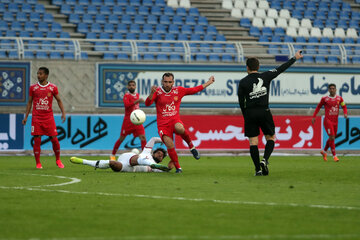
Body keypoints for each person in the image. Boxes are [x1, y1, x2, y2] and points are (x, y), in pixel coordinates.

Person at [238, 50, 303, 176]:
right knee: (271, 137)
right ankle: (265, 159)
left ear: (247, 68)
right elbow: (280, 69)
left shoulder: (243, 82)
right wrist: (294, 58)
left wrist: (245, 114)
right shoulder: (265, 76)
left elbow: (241, 101)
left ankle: (257, 170)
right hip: (264, 111)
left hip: (250, 113)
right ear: (259, 67)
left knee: (253, 142)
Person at [145, 72, 215, 173]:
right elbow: (148, 103)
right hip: (162, 125)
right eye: (165, 82)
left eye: (170, 82)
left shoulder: (178, 90)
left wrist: (209, 82)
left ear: (173, 82)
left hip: (174, 120)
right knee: (169, 145)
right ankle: (178, 168)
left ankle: (192, 147)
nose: (167, 84)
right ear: (162, 82)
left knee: (180, 128)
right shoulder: (158, 92)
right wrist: (151, 93)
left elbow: (194, 90)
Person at [22, 67, 66, 169]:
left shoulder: (53, 87)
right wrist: (26, 117)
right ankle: (38, 163)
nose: (38, 75)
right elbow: (29, 102)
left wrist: (63, 112)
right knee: (37, 140)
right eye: (38, 73)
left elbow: (59, 100)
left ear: (46, 75)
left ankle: (58, 160)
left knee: (54, 139)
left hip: (48, 118)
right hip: (37, 118)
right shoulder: (33, 88)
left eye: (41, 74)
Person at [70, 137, 169, 172]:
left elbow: (168, 168)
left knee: (113, 164)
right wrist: (164, 140)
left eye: (161, 156)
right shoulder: (146, 151)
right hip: (127, 156)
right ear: (154, 152)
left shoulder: (157, 168)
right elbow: (154, 139)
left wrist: (174, 163)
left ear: (161, 161)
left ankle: (83, 161)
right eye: (159, 153)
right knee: (139, 156)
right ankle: (142, 159)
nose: (160, 155)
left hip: (130, 167)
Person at [110, 80, 146, 161]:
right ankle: (112, 155)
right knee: (121, 138)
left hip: (137, 121)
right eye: (130, 85)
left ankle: (145, 156)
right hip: (128, 121)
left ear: (135, 86)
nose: (131, 87)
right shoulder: (126, 96)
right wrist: (137, 101)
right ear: (127, 87)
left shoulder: (137, 95)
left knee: (143, 137)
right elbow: (127, 106)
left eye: (133, 85)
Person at [312, 84, 348, 162]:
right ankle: (334, 156)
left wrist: (345, 113)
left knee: (332, 138)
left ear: (335, 90)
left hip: (335, 121)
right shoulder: (325, 99)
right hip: (328, 121)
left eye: (333, 88)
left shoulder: (339, 98)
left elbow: (344, 106)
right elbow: (318, 107)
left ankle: (324, 152)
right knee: (332, 137)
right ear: (328, 90)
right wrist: (314, 116)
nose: (332, 90)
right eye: (330, 88)